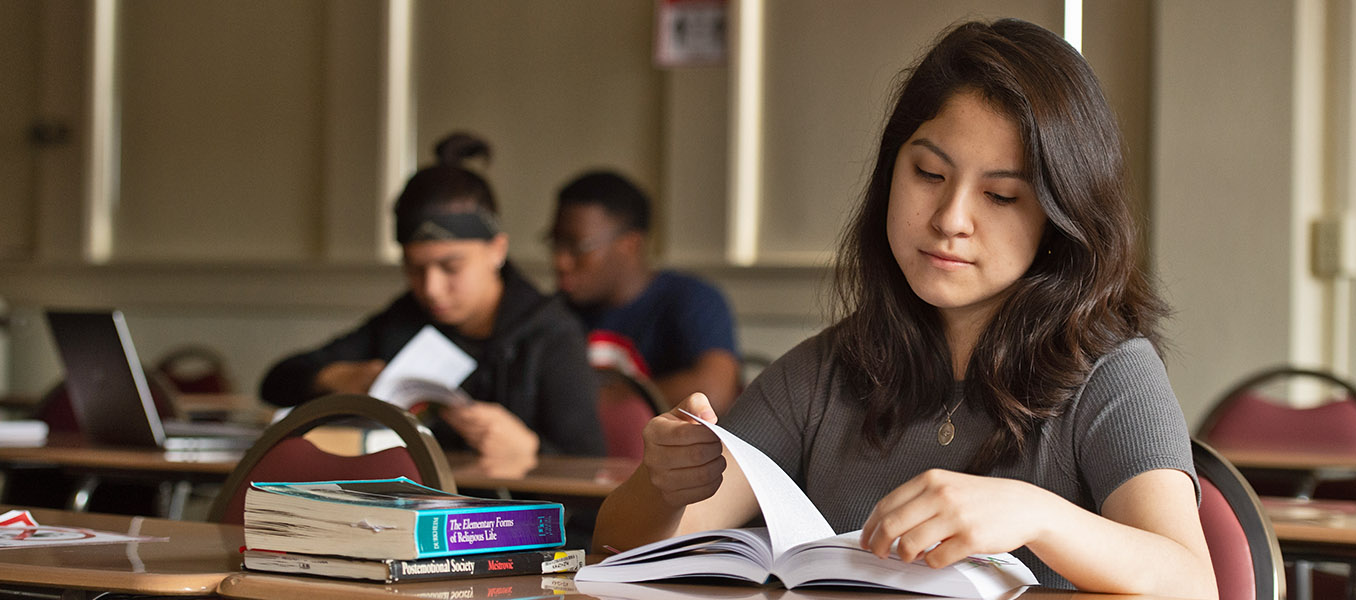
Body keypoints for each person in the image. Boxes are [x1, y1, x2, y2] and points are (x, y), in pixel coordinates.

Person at [591, 19, 1216, 599]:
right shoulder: (827, 370)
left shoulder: (1111, 374)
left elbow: (1193, 582)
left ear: (1058, 219)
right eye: (928, 173)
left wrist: (1037, 513)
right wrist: (660, 483)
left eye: (1000, 196)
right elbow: (616, 549)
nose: (950, 220)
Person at [260, 132, 605, 459]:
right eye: (414, 269)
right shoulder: (406, 318)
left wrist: (530, 450)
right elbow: (277, 381)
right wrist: (335, 378)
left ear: (496, 250)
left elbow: (593, 469)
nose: (431, 288)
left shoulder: (551, 334)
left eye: (450, 267)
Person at [546, 170, 741, 413]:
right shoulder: (552, 312)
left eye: (578, 247)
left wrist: (603, 401)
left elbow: (714, 392)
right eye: (556, 244)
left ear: (630, 244)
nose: (561, 261)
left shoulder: (692, 299)